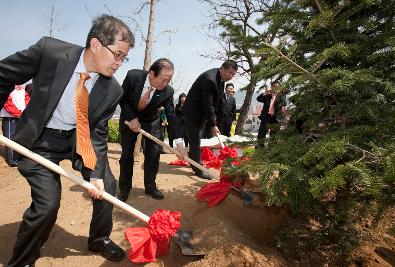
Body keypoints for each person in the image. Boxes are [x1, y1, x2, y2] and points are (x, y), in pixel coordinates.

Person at [0, 15, 134, 266]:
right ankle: (23, 261)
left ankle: (99, 238)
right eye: (117, 54)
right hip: (40, 139)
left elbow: (98, 133)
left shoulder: (112, 90)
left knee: (106, 185)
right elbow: (3, 74)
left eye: (124, 58)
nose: (120, 63)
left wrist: (95, 172)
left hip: (78, 140)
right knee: (47, 205)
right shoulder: (50, 52)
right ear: (95, 44)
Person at [118, 58, 187, 202]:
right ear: (151, 73)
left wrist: (180, 143)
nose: (166, 83)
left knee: (154, 154)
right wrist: (132, 118)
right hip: (129, 119)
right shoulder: (133, 76)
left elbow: (171, 115)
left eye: (169, 79)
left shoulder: (168, 91)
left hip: (151, 121)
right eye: (164, 79)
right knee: (126, 155)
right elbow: (122, 99)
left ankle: (150, 187)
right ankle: (124, 189)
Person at [183, 59, 238, 179]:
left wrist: (214, 122)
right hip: (194, 112)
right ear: (222, 68)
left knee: (197, 138)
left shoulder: (221, 79)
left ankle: (193, 159)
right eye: (229, 72)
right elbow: (208, 104)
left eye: (233, 74)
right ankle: (198, 169)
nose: (230, 76)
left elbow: (216, 102)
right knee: (196, 140)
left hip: (202, 113)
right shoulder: (210, 79)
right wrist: (213, 124)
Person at [0, 84, 31, 167]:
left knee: (19, 137)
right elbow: (7, 104)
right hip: (9, 118)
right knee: (10, 139)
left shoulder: (22, 90)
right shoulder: (7, 89)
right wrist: (20, 114)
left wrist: (25, 113)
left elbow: (27, 100)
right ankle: (12, 160)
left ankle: (19, 157)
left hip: (20, 117)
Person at [256, 82, 286, 147]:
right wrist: (265, 93)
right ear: (271, 87)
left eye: (277, 87)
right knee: (261, 135)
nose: (275, 88)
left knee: (274, 137)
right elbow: (258, 99)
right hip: (266, 117)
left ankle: (271, 151)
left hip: (276, 118)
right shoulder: (267, 95)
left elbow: (284, 106)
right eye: (274, 87)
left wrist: (283, 119)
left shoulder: (281, 96)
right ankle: (260, 149)